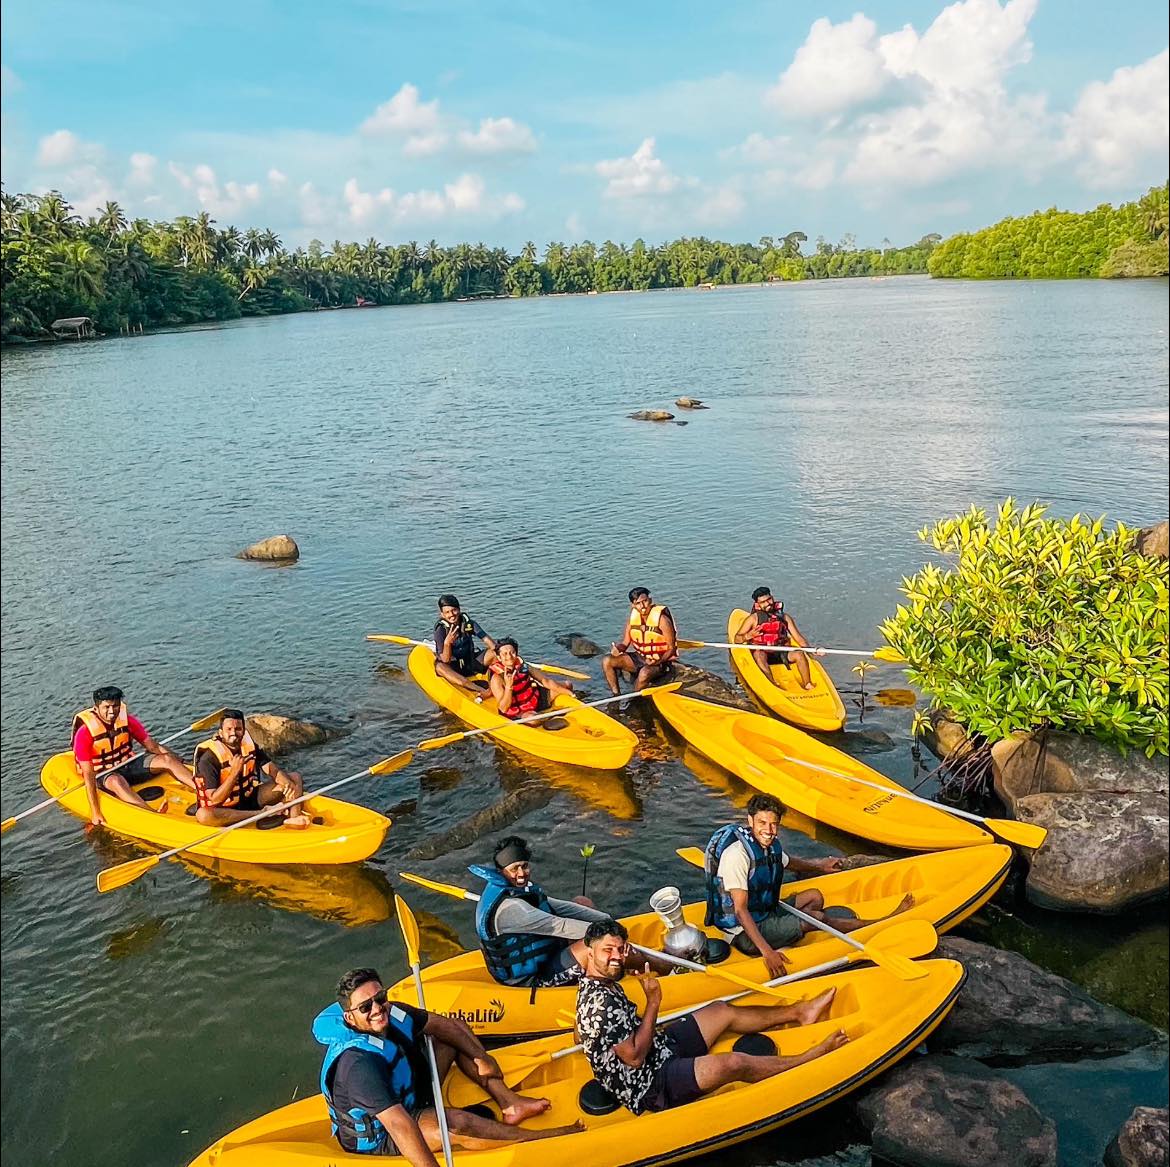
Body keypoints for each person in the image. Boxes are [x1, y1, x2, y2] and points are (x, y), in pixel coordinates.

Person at [575, 919, 848, 1116]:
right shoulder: (599, 1004)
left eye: (620, 950)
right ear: (590, 953)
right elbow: (634, 1058)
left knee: (721, 1010)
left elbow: (587, 1032)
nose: (617, 957)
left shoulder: (600, 984)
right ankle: (808, 1058)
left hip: (658, 1049)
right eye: (607, 950)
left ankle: (801, 1012)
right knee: (733, 1062)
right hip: (648, 1083)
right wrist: (654, 1003)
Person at [315, 967, 582, 1160]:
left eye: (380, 998)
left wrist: (483, 1059)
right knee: (455, 1123)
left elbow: (446, 1026)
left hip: (408, 1096)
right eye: (365, 1007)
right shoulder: (359, 1064)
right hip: (383, 1134)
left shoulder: (394, 1012)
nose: (376, 1008)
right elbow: (399, 1125)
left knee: (454, 1035)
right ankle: (542, 1139)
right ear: (350, 1018)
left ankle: (509, 1103)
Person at [705, 794, 912, 979]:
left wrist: (820, 865)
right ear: (750, 821)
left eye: (774, 824)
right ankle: (876, 923)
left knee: (814, 897)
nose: (769, 830)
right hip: (742, 932)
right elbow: (740, 910)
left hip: (765, 911)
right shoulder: (737, 856)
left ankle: (797, 928)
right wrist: (768, 953)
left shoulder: (768, 845)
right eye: (762, 823)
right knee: (818, 917)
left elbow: (788, 862)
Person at [470, 836, 666, 989]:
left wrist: (606, 921)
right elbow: (559, 925)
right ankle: (669, 969)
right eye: (514, 869)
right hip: (533, 979)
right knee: (613, 948)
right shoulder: (511, 910)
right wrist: (610, 936)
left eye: (524, 866)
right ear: (501, 870)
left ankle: (630, 964)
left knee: (583, 903)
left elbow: (560, 907)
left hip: (548, 954)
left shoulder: (514, 889)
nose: (522, 874)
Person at [72, 685, 196, 827]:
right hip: (104, 773)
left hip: (127, 763)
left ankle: (204, 793)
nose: (112, 712)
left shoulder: (128, 721)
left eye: (116, 706)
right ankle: (153, 814)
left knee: (167, 759)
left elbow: (153, 747)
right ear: (96, 708)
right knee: (116, 781)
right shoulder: (84, 733)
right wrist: (95, 811)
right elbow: (89, 774)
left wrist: (179, 760)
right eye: (107, 707)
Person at [191, 709, 311, 828]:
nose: (233, 733)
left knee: (294, 777)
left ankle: (294, 818)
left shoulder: (248, 746)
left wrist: (286, 783)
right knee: (203, 815)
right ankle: (262, 814)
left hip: (249, 799)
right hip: (224, 809)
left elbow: (272, 769)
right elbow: (215, 799)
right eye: (229, 729)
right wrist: (234, 772)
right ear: (221, 733)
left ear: (243, 731)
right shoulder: (208, 759)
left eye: (238, 729)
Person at [733, 586, 821, 690]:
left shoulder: (784, 617)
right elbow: (737, 639)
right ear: (757, 604)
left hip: (780, 651)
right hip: (763, 653)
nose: (768, 603)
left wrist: (811, 651)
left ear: (772, 598)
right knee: (758, 654)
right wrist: (748, 636)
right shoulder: (753, 619)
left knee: (799, 653)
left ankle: (807, 684)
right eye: (763, 602)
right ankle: (772, 685)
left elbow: (798, 638)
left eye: (769, 599)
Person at [602, 587, 678, 695]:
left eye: (645, 601)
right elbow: (625, 643)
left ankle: (634, 698)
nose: (642, 606)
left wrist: (658, 661)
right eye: (638, 603)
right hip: (640, 657)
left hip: (660, 661)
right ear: (633, 605)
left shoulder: (662, 620)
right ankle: (616, 695)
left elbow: (671, 648)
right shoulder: (632, 620)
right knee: (607, 660)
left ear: (650, 600)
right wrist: (618, 649)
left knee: (644, 673)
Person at [487, 638, 573, 721]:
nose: (509, 656)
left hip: (534, 699)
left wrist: (570, 694)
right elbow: (503, 708)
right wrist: (509, 687)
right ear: (499, 657)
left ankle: (546, 713)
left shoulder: (524, 667)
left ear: (516, 653)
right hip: (518, 710)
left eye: (512, 652)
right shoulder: (496, 678)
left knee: (568, 685)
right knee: (533, 719)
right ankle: (547, 717)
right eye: (505, 654)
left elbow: (546, 681)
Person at [433, 594, 497, 695]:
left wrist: (500, 652)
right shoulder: (440, 630)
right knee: (440, 667)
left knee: (496, 651)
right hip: (453, 667)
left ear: (459, 609)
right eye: (447, 612)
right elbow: (445, 659)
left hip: (470, 662)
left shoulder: (468, 624)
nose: (451, 615)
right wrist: (447, 643)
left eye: (454, 610)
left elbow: (488, 641)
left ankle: (506, 680)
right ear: (442, 614)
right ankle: (479, 689)